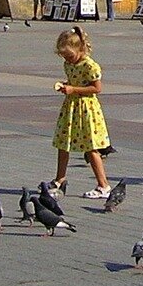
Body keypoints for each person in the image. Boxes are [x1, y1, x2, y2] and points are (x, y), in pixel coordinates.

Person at [50, 26, 112, 200]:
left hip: (87, 108)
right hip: (71, 107)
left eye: (69, 55)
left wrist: (73, 89)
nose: (67, 59)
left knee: (91, 147)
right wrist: (66, 85)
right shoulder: (69, 64)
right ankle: (59, 180)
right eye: (63, 56)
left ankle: (103, 185)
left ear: (80, 49)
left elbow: (96, 88)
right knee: (63, 144)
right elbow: (73, 81)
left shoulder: (90, 65)